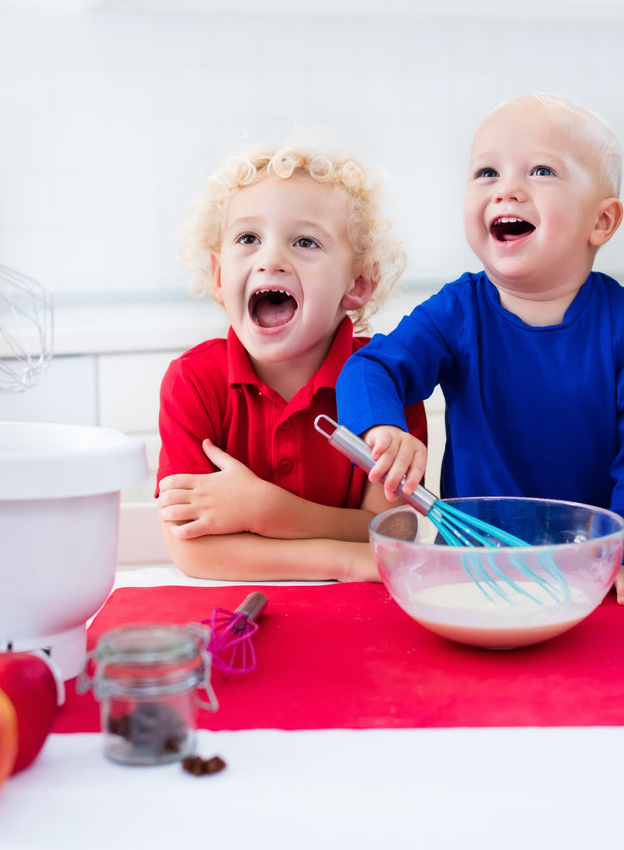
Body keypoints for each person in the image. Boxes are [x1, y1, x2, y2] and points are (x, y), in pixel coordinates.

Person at [335, 93, 624, 604]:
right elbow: (371, 367)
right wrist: (383, 426)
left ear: (601, 222)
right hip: (471, 565)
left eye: (540, 171)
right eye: (487, 173)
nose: (507, 189)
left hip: (582, 570)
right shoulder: (457, 312)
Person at [156, 141, 427, 581]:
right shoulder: (193, 382)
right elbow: (194, 551)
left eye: (305, 241)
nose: (271, 260)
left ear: (357, 284)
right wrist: (342, 559)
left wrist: (263, 510)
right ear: (220, 277)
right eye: (248, 238)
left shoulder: (387, 385)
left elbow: (392, 533)